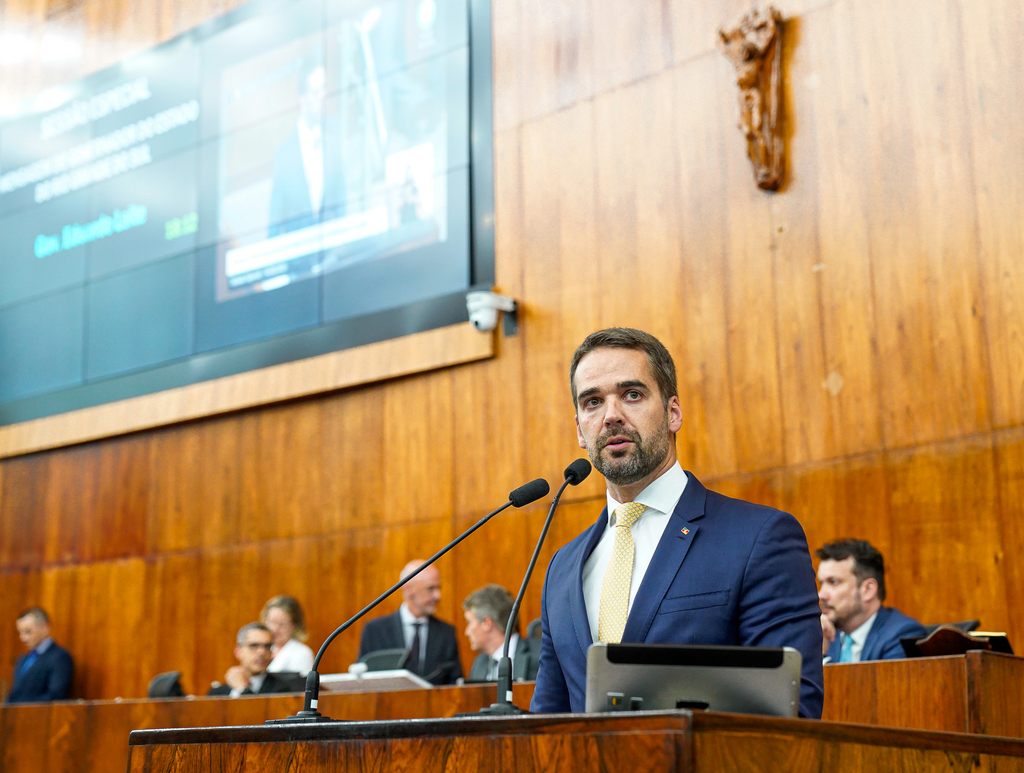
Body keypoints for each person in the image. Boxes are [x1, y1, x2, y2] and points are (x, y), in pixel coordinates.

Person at [530, 328, 824, 718]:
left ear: (673, 413)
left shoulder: (758, 538)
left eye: (632, 394)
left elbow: (793, 712)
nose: (612, 415)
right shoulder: (562, 568)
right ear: (580, 430)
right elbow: (548, 720)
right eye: (593, 402)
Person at [267, 57, 346, 237]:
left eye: (324, 89)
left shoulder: (335, 132)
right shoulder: (284, 155)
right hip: (298, 261)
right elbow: (275, 223)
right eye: (316, 92)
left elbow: (342, 202)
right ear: (302, 100)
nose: (323, 97)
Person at [817, 538, 927, 662]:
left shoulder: (902, 635)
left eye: (833, 582)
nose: (821, 595)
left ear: (868, 589)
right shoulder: (825, 635)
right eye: (821, 583)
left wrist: (821, 658)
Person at [358, 560, 463, 685]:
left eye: (438, 588)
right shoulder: (375, 631)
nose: (437, 595)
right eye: (430, 589)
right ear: (408, 590)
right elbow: (362, 681)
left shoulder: (447, 633)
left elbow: (455, 683)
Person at [462, 584, 539, 682]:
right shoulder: (479, 663)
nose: (467, 632)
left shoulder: (538, 656)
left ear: (486, 623)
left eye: (469, 622)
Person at [4, 607, 74, 704]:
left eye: (27, 631)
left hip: (38, 716)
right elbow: (15, 693)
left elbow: (55, 695)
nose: (22, 638)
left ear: (44, 628)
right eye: (20, 632)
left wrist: (23, 711)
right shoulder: (22, 660)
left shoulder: (59, 657)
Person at [207, 623, 295, 697]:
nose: (262, 652)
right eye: (254, 646)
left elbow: (261, 716)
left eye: (267, 646)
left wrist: (242, 689)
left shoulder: (282, 691)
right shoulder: (217, 693)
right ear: (238, 652)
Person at [261, 595, 314, 674]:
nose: (274, 629)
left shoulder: (302, 653)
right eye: (271, 622)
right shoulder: (263, 648)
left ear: (294, 626)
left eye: (281, 624)